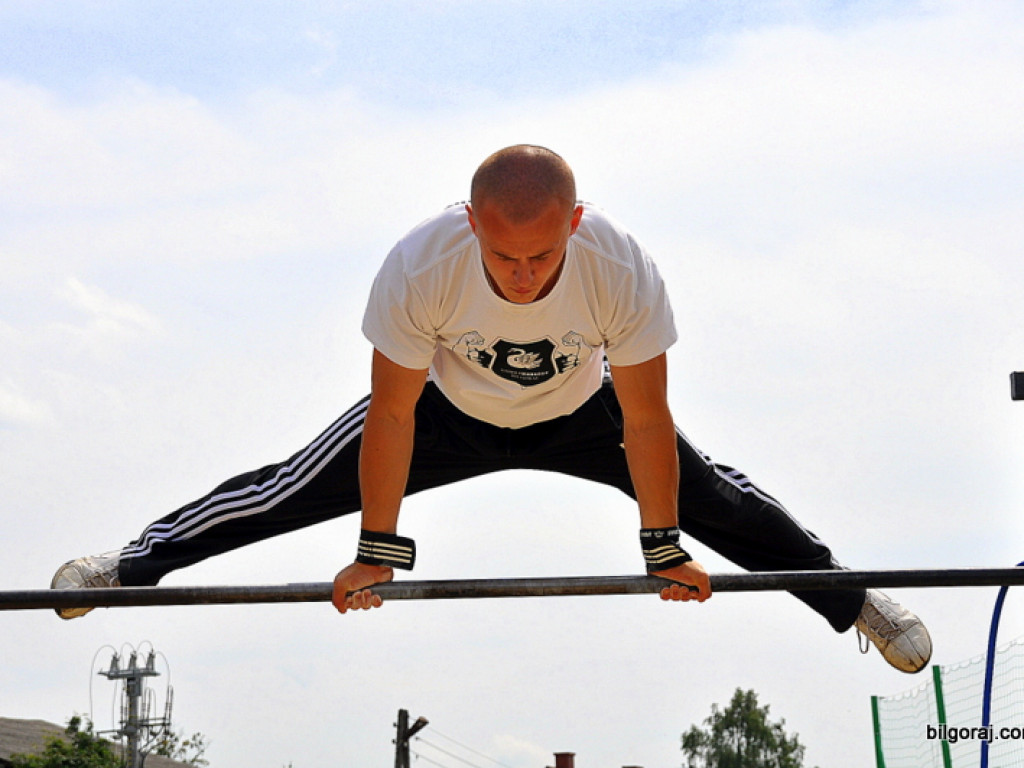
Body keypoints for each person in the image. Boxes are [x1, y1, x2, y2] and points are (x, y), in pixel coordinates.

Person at [51, 145, 931, 673]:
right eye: (504, 258)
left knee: (724, 502)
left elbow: (648, 420)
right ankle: (125, 567)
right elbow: (390, 416)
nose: (522, 277)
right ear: (470, 223)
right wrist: (375, 553)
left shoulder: (620, 268)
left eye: (542, 256)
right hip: (443, 411)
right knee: (287, 485)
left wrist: (663, 546)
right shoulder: (418, 265)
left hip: (588, 413)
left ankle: (855, 603)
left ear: (576, 222)